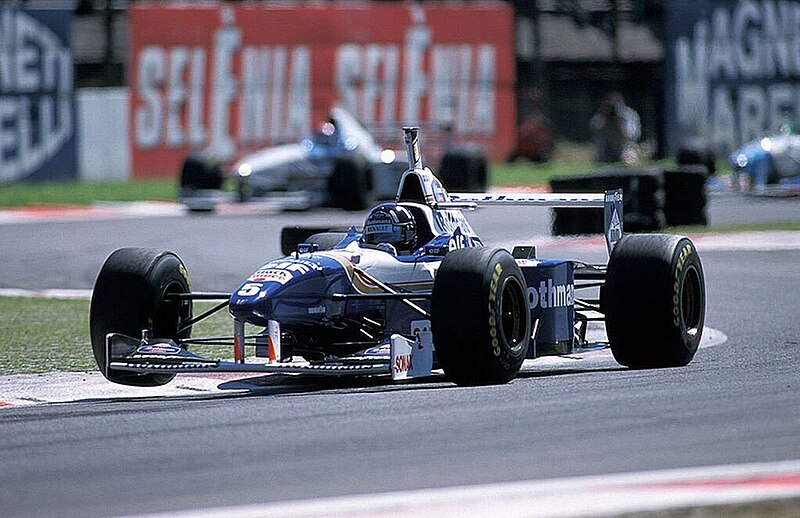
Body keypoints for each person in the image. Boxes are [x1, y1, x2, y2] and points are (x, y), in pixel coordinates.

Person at [590, 92, 640, 163]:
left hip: (625, 144)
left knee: (628, 159)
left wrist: (619, 123)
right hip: (608, 144)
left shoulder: (628, 114)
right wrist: (607, 121)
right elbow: (595, 130)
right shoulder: (602, 114)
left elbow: (629, 135)